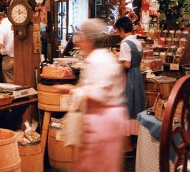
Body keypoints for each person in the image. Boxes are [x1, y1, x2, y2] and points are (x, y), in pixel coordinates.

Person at [54, 18, 128, 172]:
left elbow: (97, 95)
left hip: (102, 121)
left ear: (90, 41)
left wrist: (71, 89)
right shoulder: (103, 58)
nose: (78, 43)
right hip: (106, 120)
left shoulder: (99, 61)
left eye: (81, 39)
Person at [114, 16, 145, 150]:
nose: (118, 34)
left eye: (118, 31)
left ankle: (127, 145)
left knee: (127, 106)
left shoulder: (125, 43)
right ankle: (135, 142)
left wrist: (115, 66)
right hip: (138, 75)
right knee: (137, 106)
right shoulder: (137, 42)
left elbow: (126, 64)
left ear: (121, 29)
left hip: (130, 77)